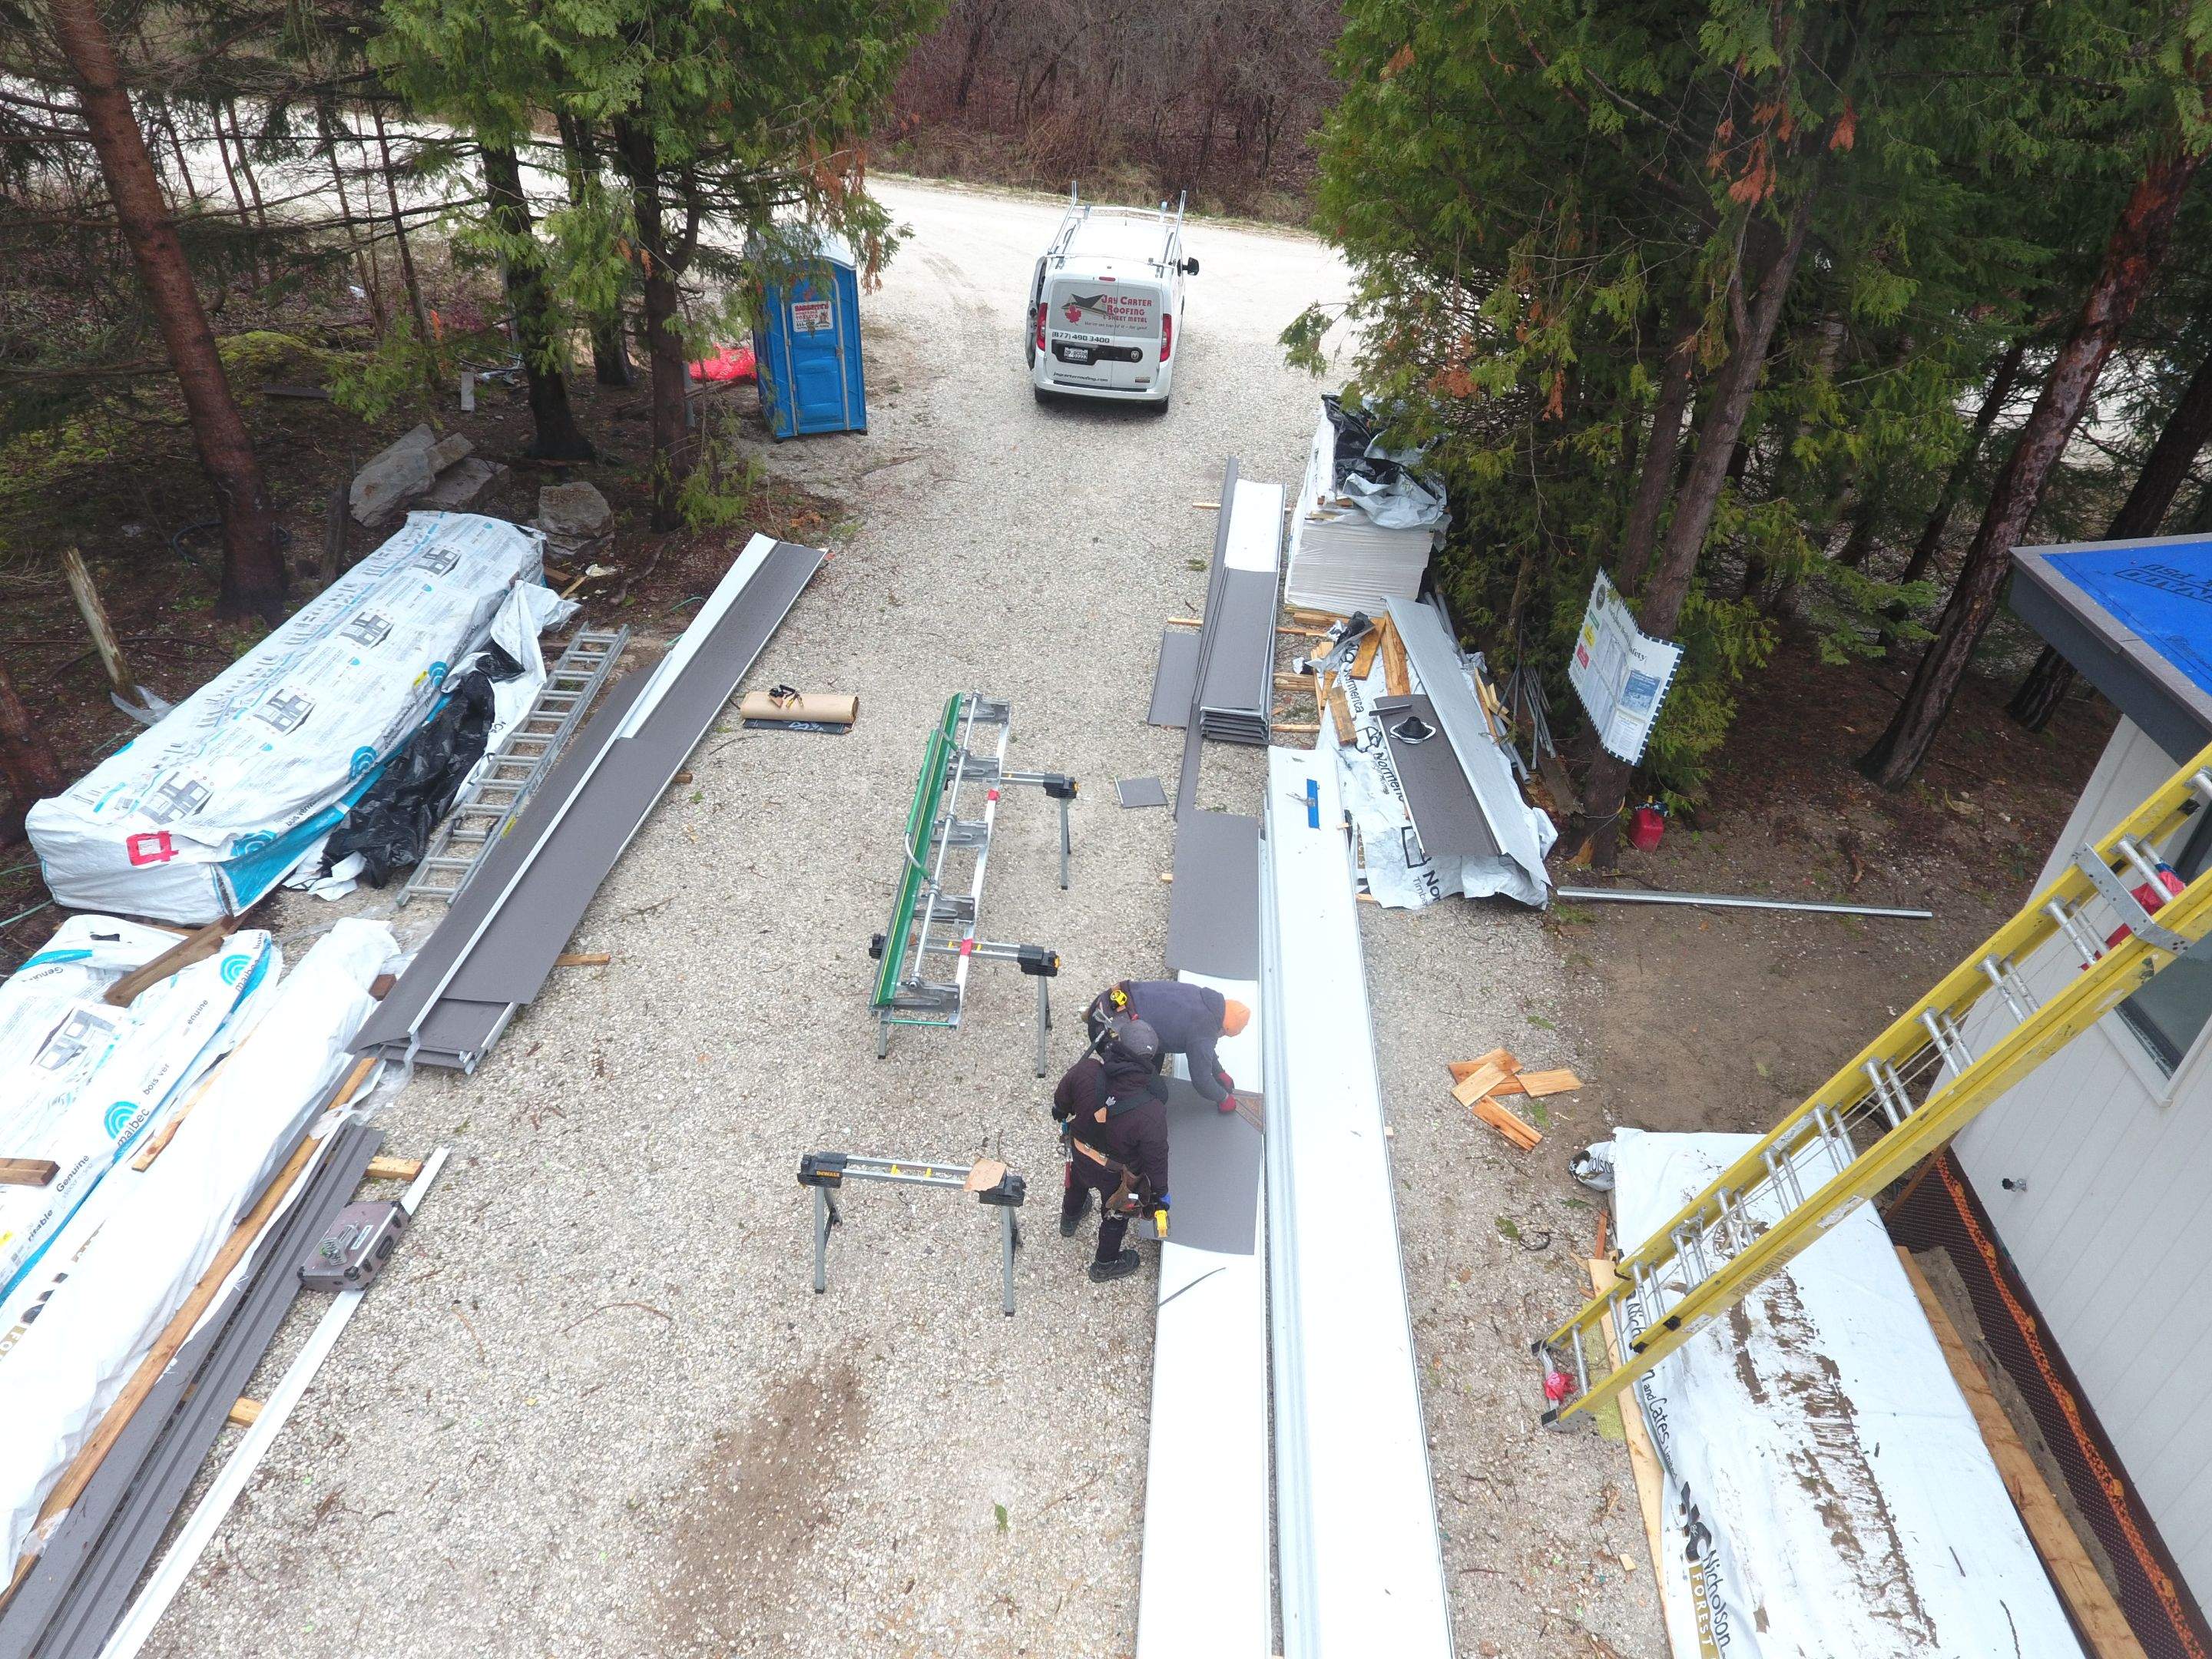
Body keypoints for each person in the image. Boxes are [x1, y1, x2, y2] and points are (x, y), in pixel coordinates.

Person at [1053, 1015, 1171, 1283]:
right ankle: (1105, 1263)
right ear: (1149, 1061)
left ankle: (1069, 1220)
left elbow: (1061, 1101)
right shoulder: (1151, 1111)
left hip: (1080, 1153)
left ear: (1117, 1044)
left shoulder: (1086, 1071)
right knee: (1117, 1212)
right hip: (1117, 1175)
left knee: (1077, 1184)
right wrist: (1161, 1194)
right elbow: (1156, 1158)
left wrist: (1061, 1110)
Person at [1084, 979, 1250, 1113]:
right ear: (1224, 1028)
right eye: (1223, 1034)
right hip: (1107, 1031)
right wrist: (1223, 1098)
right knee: (1156, 1093)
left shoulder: (1201, 996)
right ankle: (1113, 1099)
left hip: (1110, 999)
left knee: (1154, 1054)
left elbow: (1205, 1044)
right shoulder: (1204, 1030)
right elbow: (1201, 1080)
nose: (1219, 1037)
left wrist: (1219, 1071)